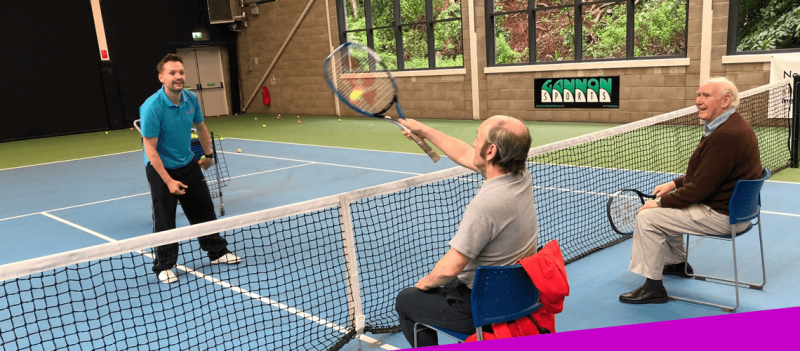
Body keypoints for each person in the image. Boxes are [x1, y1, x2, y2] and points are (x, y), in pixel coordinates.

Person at [394, 115, 539, 347]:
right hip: (521, 294)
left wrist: (423, 285)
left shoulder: (486, 204)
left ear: (490, 151)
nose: (473, 143)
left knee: (406, 300)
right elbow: (463, 153)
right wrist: (423, 129)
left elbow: (448, 270)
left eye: (477, 137)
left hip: (484, 308)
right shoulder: (521, 177)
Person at [620, 77, 763, 304]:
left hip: (723, 216)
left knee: (648, 217)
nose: (698, 101)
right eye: (698, 95)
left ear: (725, 100)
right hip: (741, 212)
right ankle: (676, 263)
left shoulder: (726, 135)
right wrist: (674, 185)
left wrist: (657, 203)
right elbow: (712, 173)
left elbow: (699, 189)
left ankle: (653, 287)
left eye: (706, 96)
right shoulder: (732, 125)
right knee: (672, 201)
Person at [140, 53, 241, 284]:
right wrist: (168, 181)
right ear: (161, 77)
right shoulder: (152, 107)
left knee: (204, 209)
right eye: (172, 73)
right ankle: (164, 265)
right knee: (165, 219)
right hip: (160, 168)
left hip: (187, 162)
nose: (178, 77)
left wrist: (208, 155)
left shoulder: (191, 99)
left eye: (181, 72)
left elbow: (201, 128)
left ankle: (217, 252)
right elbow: (150, 149)